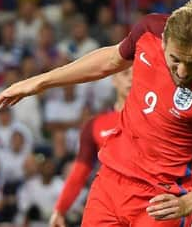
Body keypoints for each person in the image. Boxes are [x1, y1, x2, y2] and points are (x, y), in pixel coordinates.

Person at [0, 0, 192, 226]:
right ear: (164, 41)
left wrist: (189, 203)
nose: (183, 72)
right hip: (110, 184)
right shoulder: (149, 30)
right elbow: (110, 60)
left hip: (161, 202)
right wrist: (40, 82)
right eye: (176, 59)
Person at [49, 67, 133, 227]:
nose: (131, 79)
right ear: (113, 79)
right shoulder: (96, 124)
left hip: (145, 203)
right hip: (107, 204)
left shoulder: (157, 119)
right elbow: (80, 171)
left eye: (138, 74)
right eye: (125, 74)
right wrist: (60, 209)